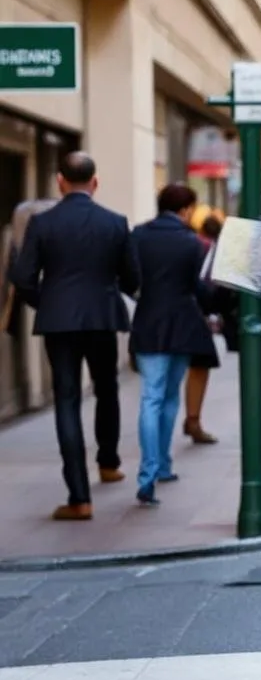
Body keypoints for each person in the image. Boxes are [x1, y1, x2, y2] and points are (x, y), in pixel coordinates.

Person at [10, 152, 139, 521]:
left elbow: (22, 279)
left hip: (59, 321)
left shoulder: (42, 223)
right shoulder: (115, 223)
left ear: (60, 182)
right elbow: (132, 279)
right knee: (107, 388)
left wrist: (48, 302)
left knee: (66, 399)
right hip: (102, 317)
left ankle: (79, 497)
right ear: (94, 182)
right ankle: (109, 463)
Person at [130, 185, 219, 505]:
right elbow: (202, 289)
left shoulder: (138, 235)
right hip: (183, 325)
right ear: (185, 210)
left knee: (150, 397)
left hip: (148, 324)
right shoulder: (192, 243)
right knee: (169, 397)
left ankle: (148, 472)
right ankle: (163, 464)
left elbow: (129, 279)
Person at [182, 214, 222, 445]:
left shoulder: (141, 235)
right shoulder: (199, 245)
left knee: (154, 393)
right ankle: (193, 420)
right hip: (191, 317)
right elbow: (203, 284)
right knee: (198, 366)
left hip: (153, 322)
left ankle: (192, 421)